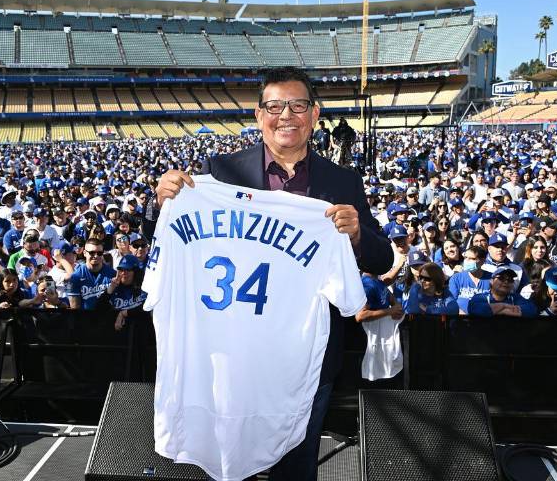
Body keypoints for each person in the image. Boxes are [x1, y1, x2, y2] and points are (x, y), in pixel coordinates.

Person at [147, 66, 392, 481]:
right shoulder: (221, 172)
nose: (286, 116)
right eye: (275, 106)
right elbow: (166, 238)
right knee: (225, 459)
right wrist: (161, 203)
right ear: (259, 116)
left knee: (295, 467)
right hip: (230, 351)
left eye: (298, 106)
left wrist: (355, 236)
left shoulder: (343, 181)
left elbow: (383, 260)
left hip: (305, 360)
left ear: (315, 116)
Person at [67, 237, 116, 310]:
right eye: (92, 253)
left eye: (99, 253)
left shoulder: (112, 274)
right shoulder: (76, 277)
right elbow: (75, 308)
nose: (96, 256)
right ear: (84, 253)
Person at [468, 267, 538, 318]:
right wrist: (504, 306)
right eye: (501, 278)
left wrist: (499, 310)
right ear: (492, 281)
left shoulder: (516, 298)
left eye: (510, 280)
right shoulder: (480, 297)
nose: (506, 282)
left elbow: (532, 310)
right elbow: (475, 310)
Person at [448, 246, 491, 314]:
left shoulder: (492, 279)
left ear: (482, 261)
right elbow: (451, 302)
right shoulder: (456, 278)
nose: (467, 261)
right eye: (465, 258)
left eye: (472, 259)